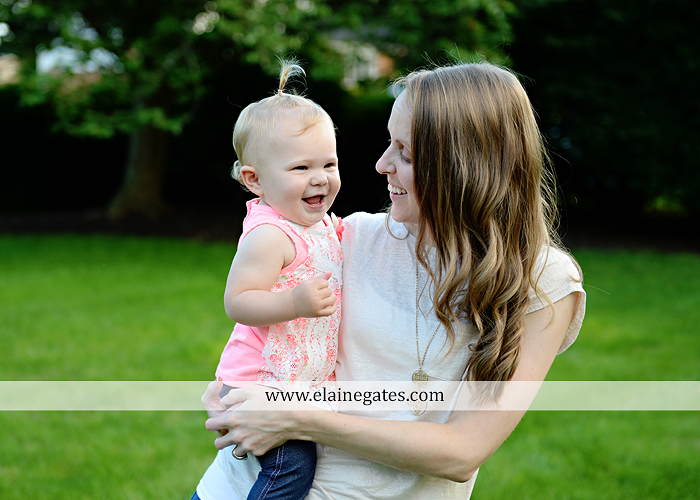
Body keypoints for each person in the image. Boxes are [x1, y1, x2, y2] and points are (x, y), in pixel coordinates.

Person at [192, 61, 586, 500]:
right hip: (238, 488)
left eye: (406, 154)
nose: (382, 164)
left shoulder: (543, 282)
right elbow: (263, 332)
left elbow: (462, 452)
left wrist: (294, 417)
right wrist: (232, 393)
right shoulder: (347, 237)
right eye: (388, 143)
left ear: (466, 167)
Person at [206, 60, 343, 500]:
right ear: (255, 180)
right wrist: (294, 303)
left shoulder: (320, 224)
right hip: (258, 380)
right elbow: (238, 300)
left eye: (329, 163)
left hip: (292, 382)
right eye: (300, 168)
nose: (320, 178)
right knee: (291, 468)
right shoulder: (269, 235)